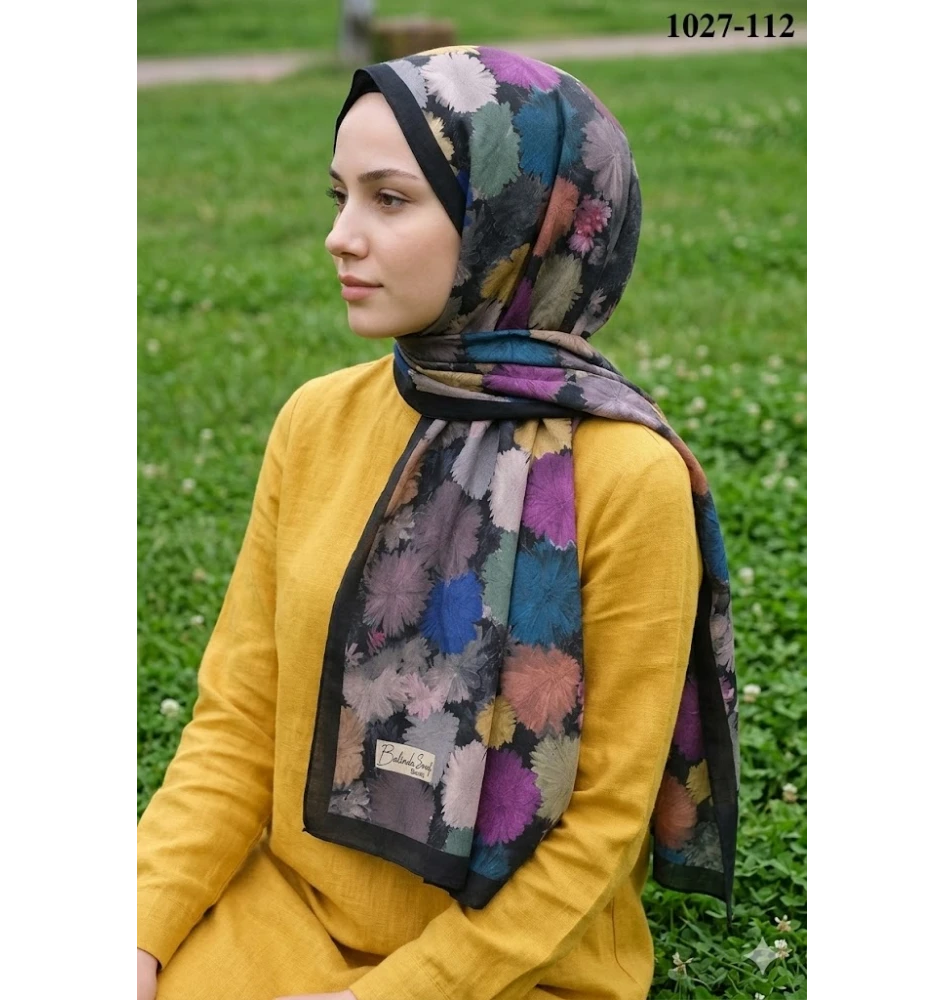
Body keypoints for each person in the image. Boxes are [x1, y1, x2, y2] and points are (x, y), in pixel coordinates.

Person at [135, 45, 738, 1000]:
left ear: (516, 223)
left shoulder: (629, 480)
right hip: (285, 913)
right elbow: (239, 722)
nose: (339, 236)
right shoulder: (315, 422)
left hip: (514, 971)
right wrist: (140, 931)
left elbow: (599, 824)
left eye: (389, 199)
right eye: (339, 195)